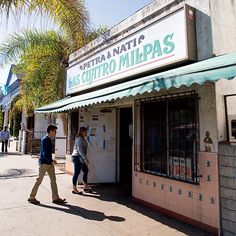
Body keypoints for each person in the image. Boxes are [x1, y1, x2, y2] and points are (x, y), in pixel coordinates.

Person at [28, 124, 66, 204]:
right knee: (39, 180)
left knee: (53, 180)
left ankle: (55, 197)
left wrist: (51, 161)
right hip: (44, 163)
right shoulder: (46, 140)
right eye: (55, 131)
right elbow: (45, 153)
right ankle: (32, 197)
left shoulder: (47, 139)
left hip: (49, 163)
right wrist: (51, 161)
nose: (55, 133)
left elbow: (47, 153)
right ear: (51, 131)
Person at [71, 127, 92, 194]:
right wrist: (85, 159)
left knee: (85, 170)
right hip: (77, 157)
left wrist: (84, 158)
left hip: (81, 157)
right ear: (82, 132)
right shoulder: (79, 139)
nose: (86, 133)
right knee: (77, 172)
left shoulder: (82, 138)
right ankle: (74, 188)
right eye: (85, 132)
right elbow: (80, 150)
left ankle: (85, 186)